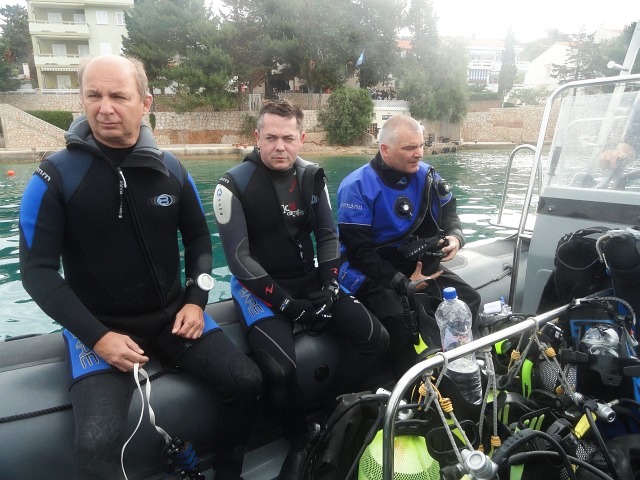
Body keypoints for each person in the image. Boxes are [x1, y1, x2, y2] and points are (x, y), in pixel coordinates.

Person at [18, 55, 262, 480]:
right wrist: (98, 337)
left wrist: (196, 300)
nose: (104, 108)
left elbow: (199, 241)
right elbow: (37, 272)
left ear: (146, 103)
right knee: (95, 446)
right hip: (100, 326)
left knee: (247, 381)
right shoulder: (54, 176)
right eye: (93, 96)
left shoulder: (171, 169)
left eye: (118, 96)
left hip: (173, 316)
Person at [213, 99, 389, 480]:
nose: (280, 146)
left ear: (302, 139)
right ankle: (298, 439)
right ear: (257, 137)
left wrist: (330, 285)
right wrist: (289, 306)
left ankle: (330, 416)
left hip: (308, 279)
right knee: (280, 370)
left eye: (288, 138)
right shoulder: (232, 185)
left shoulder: (312, 177)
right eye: (271, 137)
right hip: (258, 288)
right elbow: (239, 259)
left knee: (376, 338)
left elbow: (327, 235)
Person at [337, 114, 481, 379]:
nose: (419, 154)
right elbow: (359, 253)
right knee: (398, 318)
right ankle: (408, 385)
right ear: (385, 150)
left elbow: (450, 212)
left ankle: (458, 368)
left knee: (470, 298)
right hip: (370, 270)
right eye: (410, 148)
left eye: (421, 145)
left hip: (417, 264)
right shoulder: (356, 187)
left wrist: (455, 237)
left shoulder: (427, 176)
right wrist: (403, 283)